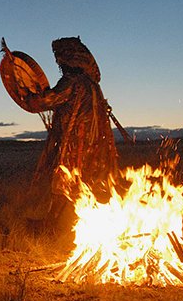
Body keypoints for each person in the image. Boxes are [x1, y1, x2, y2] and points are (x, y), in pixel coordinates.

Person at [25, 37, 119, 229]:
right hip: (95, 146)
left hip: (76, 145)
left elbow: (47, 101)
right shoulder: (92, 85)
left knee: (66, 180)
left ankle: (55, 227)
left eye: (59, 58)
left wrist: (29, 96)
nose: (58, 62)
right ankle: (71, 225)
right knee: (85, 182)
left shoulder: (71, 81)